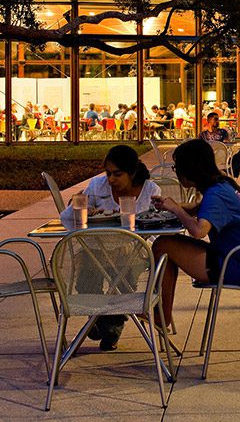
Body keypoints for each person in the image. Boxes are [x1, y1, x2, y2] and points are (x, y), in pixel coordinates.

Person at [58, 145, 161, 351]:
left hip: (134, 247)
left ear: (132, 173)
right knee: (86, 280)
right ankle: (100, 321)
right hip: (97, 245)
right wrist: (81, 205)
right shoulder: (98, 186)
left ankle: (109, 328)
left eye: (117, 174)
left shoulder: (150, 190)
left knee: (123, 277)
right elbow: (68, 218)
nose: (111, 179)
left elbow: (156, 225)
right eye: (108, 173)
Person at [152, 140, 240, 327]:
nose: (176, 172)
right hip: (239, 258)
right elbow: (198, 209)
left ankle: (160, 314)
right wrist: (170, 206)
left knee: (163, 244)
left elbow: (198, 231)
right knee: (166, 245)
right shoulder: (222, 184)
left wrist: (176, 209)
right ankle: (161, 314)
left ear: (190, 170)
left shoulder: (216, 194)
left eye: (177, 167)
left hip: (235, 265)